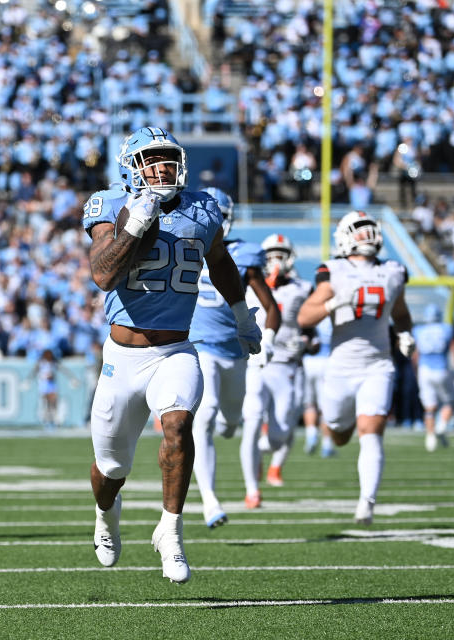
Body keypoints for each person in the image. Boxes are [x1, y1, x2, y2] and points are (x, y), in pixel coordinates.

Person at [83, 127, 263, 584]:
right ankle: (106, 518)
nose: (162, 167)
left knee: (179, 424)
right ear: (131, 167)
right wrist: (137, 222)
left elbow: (220, 261)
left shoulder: (201, 208)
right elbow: (103, 275)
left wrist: (241, 314)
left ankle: (171, 530)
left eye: (167, 158)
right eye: (151, 160)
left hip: (176, 349)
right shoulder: (109, 203)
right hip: (122, 357)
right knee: (111, 469)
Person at [297, 210, 414, 526]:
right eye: (359, 230)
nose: (364, 236)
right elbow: (304, 318)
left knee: (372, 431)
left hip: (378, 364)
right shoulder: (333, 270)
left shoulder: (392, 271)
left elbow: (400, 311)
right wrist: (334, 303)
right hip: (341, 368)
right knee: (338, 434)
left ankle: (367, 502)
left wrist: (404, 333)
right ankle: (334, 431)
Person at [188, 187, 280, 527]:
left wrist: (267, 339)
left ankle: (228, 431)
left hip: (235, 352)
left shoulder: (243, 254)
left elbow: (271, 308)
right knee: (205, 415)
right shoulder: (182, 246)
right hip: (199, 345)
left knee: (228, 423)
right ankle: (210, 501)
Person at [240, 234, 313, 507]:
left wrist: (307, 342)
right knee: (252, 423)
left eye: (281, 253)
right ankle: (252, 490)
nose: (276, 259)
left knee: (280, 435)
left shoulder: (302, 288)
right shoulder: (248, 285)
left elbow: (312, 332)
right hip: (255, 364)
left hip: (287, 366)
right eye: (271, 253)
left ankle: (262, 454)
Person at [413, 303, 454, 452]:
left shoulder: (418, 330)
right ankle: (442, 426)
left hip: (424, 370)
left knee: (429, 407)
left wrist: (416, 370)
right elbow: (453, 350)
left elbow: (415, 354)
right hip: (441, 368)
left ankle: (430, 437)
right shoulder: (446, 329)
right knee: (449, 402)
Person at [302, 315, 337, 458]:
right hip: (327, 361)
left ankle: (311, 435)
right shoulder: (332, 314)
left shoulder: (311, 311)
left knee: (309, 404)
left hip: (308, 362)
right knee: (326, 407)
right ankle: (327, 444)